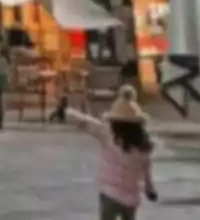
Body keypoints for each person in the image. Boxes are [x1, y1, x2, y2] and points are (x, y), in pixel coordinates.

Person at [65, 85, 157, 219]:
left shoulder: (108, 135)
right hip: (131, 197)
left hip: (109, 193)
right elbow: (146, 167)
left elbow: (86, 123)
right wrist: (150, 188)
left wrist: (68, 111)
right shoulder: (143, 144)